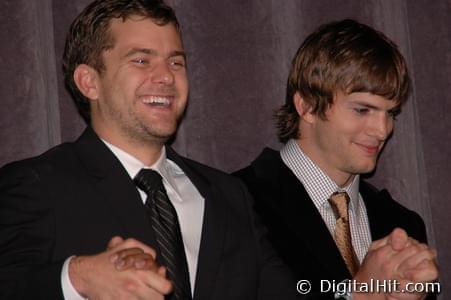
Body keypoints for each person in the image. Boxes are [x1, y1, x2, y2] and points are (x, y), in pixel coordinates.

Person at [0, 0, 297, 299]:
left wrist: (342, 291)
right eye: (142, 60)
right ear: (89, 82)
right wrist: (78, 277)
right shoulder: (37, 185)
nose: (167, 76)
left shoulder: (231, 196)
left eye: (176, 62)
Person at [234, 19, 438, 299]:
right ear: (306, 105)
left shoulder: (402, 225)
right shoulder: (233, 205)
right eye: (363, 109)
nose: (383, 131)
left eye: (391, 113)